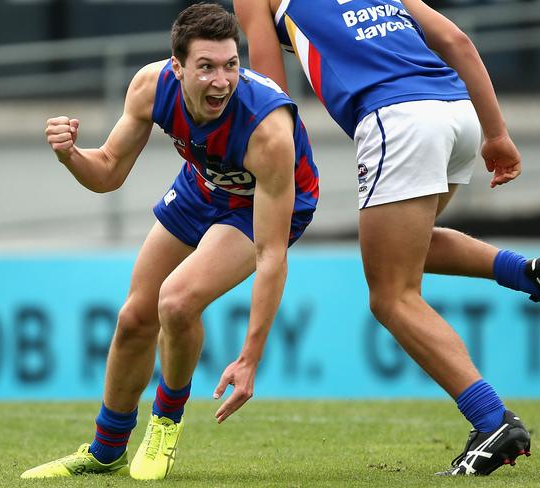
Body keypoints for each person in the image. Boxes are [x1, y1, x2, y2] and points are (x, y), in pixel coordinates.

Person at [234, 0, 540, 476]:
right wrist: (496, 133)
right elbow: (458, 42)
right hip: (457, 112)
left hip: (398, 119)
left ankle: (493, 421)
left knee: (391, 295)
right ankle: (534, 273)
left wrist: (276, 171)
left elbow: (270, 94)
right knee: (407, 250)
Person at [20, 3, 318, 481]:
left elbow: (271, 254)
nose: (222, 81)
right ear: (176, 67)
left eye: (230, 66)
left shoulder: (267, 131)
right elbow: (108, 173)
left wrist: (249, 358)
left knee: (176, 303)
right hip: (203, 184)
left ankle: (164, 425)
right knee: (135, 316)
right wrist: (71, 155)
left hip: (261, 205)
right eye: (206, 67)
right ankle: (106, 450)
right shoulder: (149, 86)